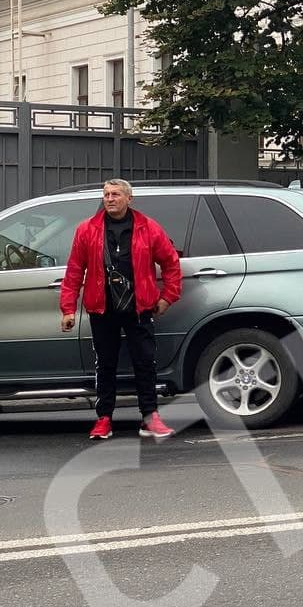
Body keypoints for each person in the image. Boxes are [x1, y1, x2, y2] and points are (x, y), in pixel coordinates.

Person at [59, 179, 182, 441]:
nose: (110, 199)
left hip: (139, 307)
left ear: (129, 198)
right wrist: (68, 308)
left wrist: (168, 297)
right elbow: (74, 271)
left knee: (145, 363)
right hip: (102, 309)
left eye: (115, 194)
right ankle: (104, 419)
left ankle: (150, 418)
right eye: (106, 194)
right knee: (105, 364)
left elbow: (171, 262)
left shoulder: (148, 227)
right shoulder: (87, 230)